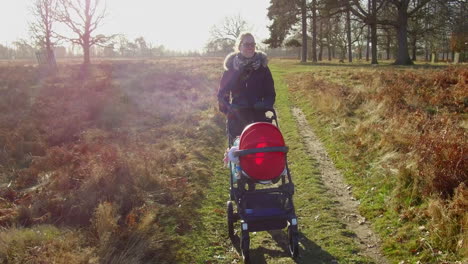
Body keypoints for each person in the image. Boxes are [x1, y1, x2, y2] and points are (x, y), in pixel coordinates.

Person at [217, 32, 276, 140]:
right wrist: (229, 110)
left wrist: (264, 104)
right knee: (238, 153)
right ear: (239, 46)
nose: (250, 47)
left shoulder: (263, 68)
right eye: (247, 44)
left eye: (252, 44)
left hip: (258, 118)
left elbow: (270, 94)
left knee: (259, 152)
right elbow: (222, 94)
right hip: (237, 119)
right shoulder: (231, 68)